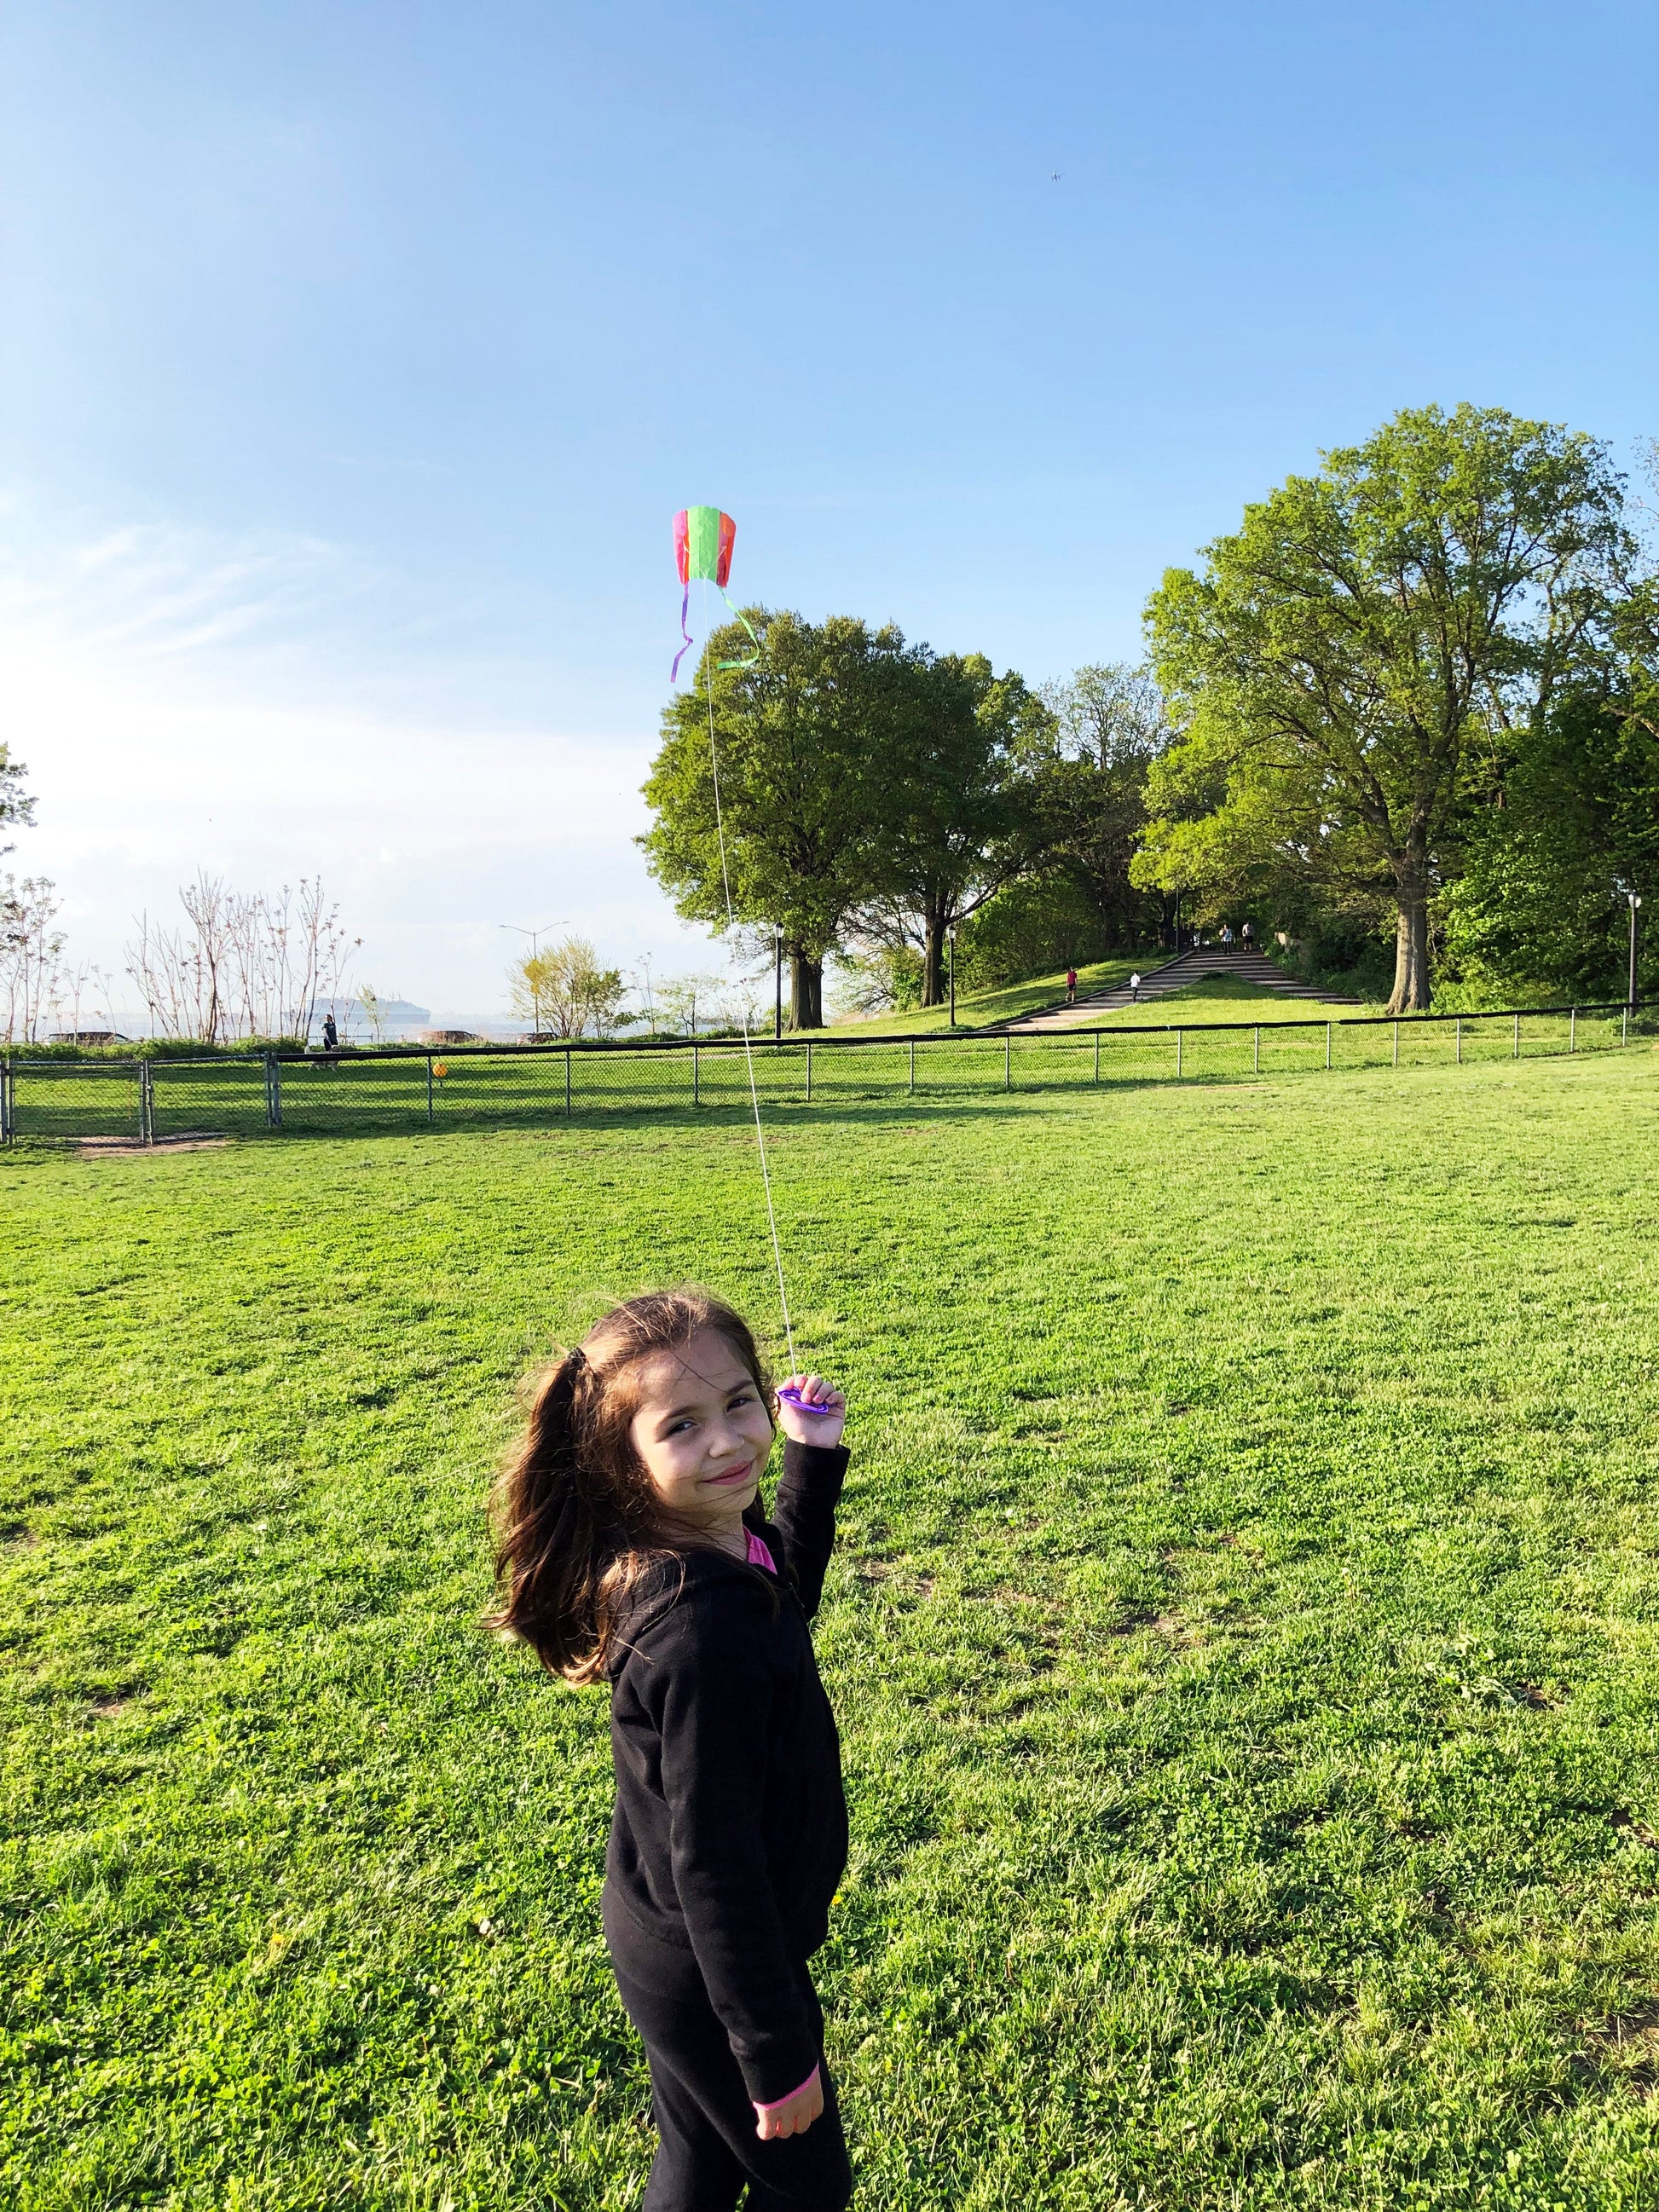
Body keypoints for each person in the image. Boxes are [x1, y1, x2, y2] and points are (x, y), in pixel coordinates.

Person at [488, 1290, 854, 2212]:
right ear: (624, 1462)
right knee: (805, 2187)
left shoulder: (707, 1551)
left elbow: (784, 1593)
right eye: (681, 1425)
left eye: (740, 1402)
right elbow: (717, 1868)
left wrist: (810, 1457)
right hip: (713, 1967)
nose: (730, 1441)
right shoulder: (700, 1637)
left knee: (695, 2161)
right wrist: (773, 2060)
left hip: (667, 1948)